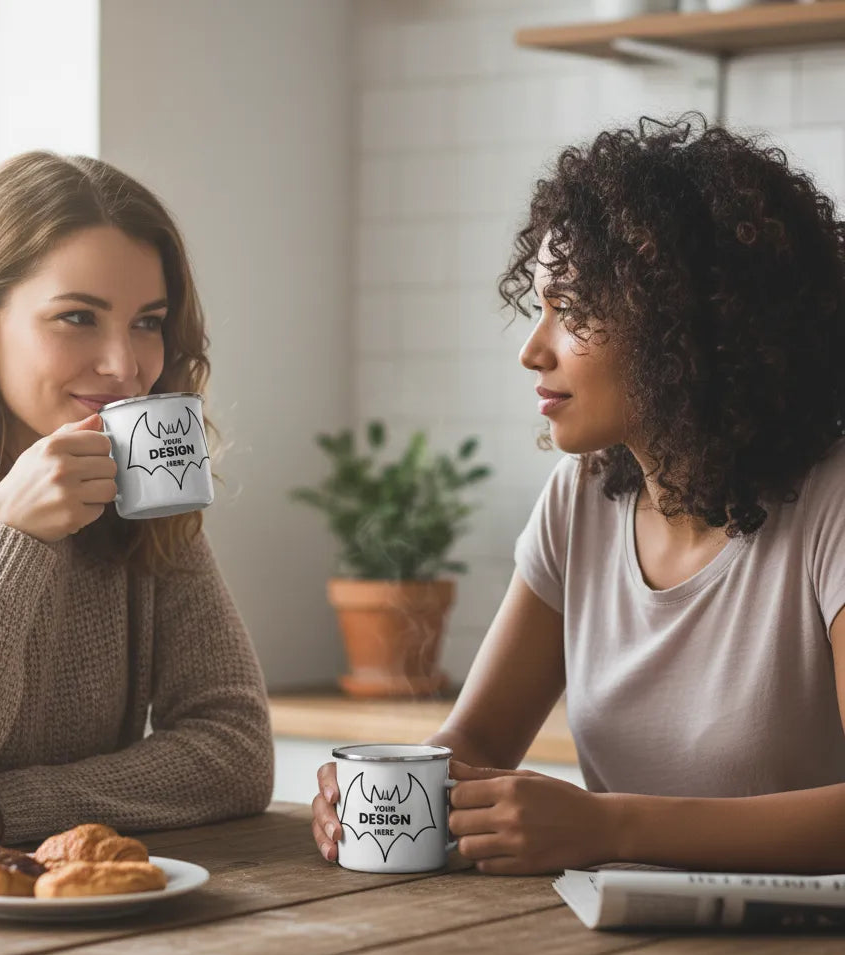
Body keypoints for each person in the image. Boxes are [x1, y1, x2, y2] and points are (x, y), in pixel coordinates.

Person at [312, 114, 845, 875]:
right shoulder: (582, 499)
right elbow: (479, 746)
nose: (535, 348)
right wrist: (388, 789)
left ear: (685, 323)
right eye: (539, 306)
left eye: (573, 308)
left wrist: (609, 829)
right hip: (617, 945)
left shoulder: (833, 504)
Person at [0, 152, 273, 865]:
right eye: (76, 318)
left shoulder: (144, 485)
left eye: (148, 322)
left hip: (77, 914)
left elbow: (235, 751)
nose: (124, 364)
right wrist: (7, 538)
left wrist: (0, 812)